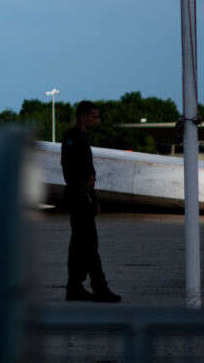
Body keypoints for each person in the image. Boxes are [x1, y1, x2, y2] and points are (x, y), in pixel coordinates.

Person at [60, 100, 121, 303]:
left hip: (82, 196)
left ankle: (75, 287)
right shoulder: (73, 137)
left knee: (80, 244)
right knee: (88, 244)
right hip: (79, 197)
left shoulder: (79, 137)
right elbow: (72, 169)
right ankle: (98, 287)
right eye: (94, 116)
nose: (98, 120)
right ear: (83, 117)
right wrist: (85, 193)